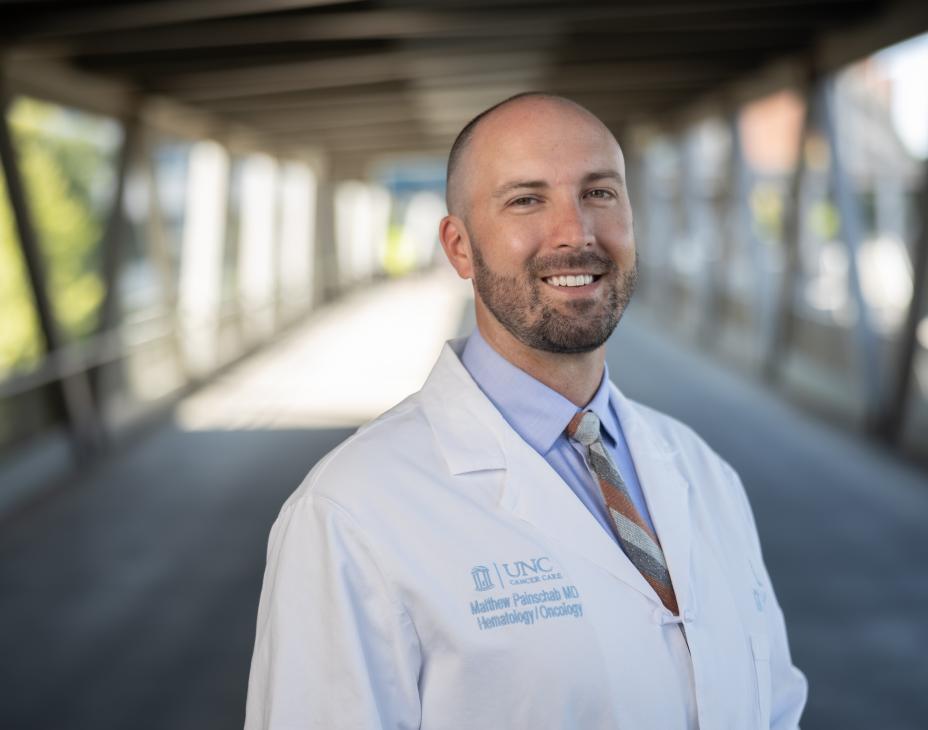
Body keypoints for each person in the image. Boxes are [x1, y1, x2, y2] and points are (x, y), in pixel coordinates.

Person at [244, 93, 807, 729]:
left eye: (599, 193)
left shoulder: (705, 475)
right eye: (526, 199)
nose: (575, 233)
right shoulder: (349, 513)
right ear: (459, 247)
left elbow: (777, 707)